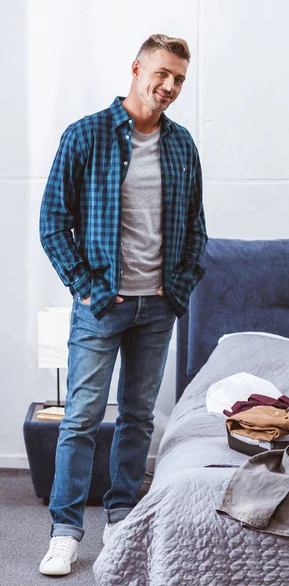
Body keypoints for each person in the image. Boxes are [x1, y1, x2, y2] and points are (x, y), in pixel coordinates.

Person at [38, 34, 207, 576]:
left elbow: (196, 233)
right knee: (81, 420)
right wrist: (86, 286)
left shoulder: (182, 146)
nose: (170, 86)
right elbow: (52, 223)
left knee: (137, 419)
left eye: (179, 78)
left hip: (156, 310)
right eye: (162, 73)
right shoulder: (86, 135)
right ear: (137, 69)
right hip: (101, 305)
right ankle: (65, 532)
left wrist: (176, 290)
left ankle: (121, 519)